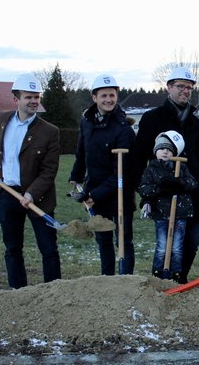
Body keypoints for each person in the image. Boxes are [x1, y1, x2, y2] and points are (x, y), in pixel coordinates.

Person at [0, 73, 61, 289]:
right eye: (29, 97)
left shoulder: (49, 131)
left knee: (49, 249)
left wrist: (31, 193)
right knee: (13, 248)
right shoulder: (2, 120)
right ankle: (18, 292)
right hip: (7, 193)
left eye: (37, 97)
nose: (34, 101)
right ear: (16, 99)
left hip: (38, 198)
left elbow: (49, 169)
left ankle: (53, 292)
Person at [131, 66, 199, 283]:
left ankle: (179, 280)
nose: (185, 91)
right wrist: (148, 193)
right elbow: (138, 159)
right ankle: (161, 283)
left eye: (189, 88)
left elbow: (197, 157)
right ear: (169, 87)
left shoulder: (195, 122)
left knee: (191, 243)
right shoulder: (152, 118)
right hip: (163, 196)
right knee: (166, 243)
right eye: (181, 86)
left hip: (189, 193)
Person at [69, 74, 136, 275]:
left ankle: (126, 281)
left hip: (119, 192)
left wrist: (94, 195)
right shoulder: (87, 123)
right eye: (104, 95)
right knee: (103, 238)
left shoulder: (124, 129)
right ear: (94, 97)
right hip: (95, 189)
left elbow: (121, 172)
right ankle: (107, 280)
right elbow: (81, 152)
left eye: (112, 95)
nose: (108, 99)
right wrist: (76, 176)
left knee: (124, 239)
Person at [138, 131, 198, 281]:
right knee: (162, 247)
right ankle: (158, 274)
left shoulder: (181, 168)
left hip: (180, 214)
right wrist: (160, 189)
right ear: (155, 151)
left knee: (177, 248)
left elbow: (193, 184)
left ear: (175, 152)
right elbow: (144, 189)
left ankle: (176, 274)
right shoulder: (150, 169)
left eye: (169, 149)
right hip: (161, 214)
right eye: (162, 148)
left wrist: (182, 183)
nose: (165, 152)